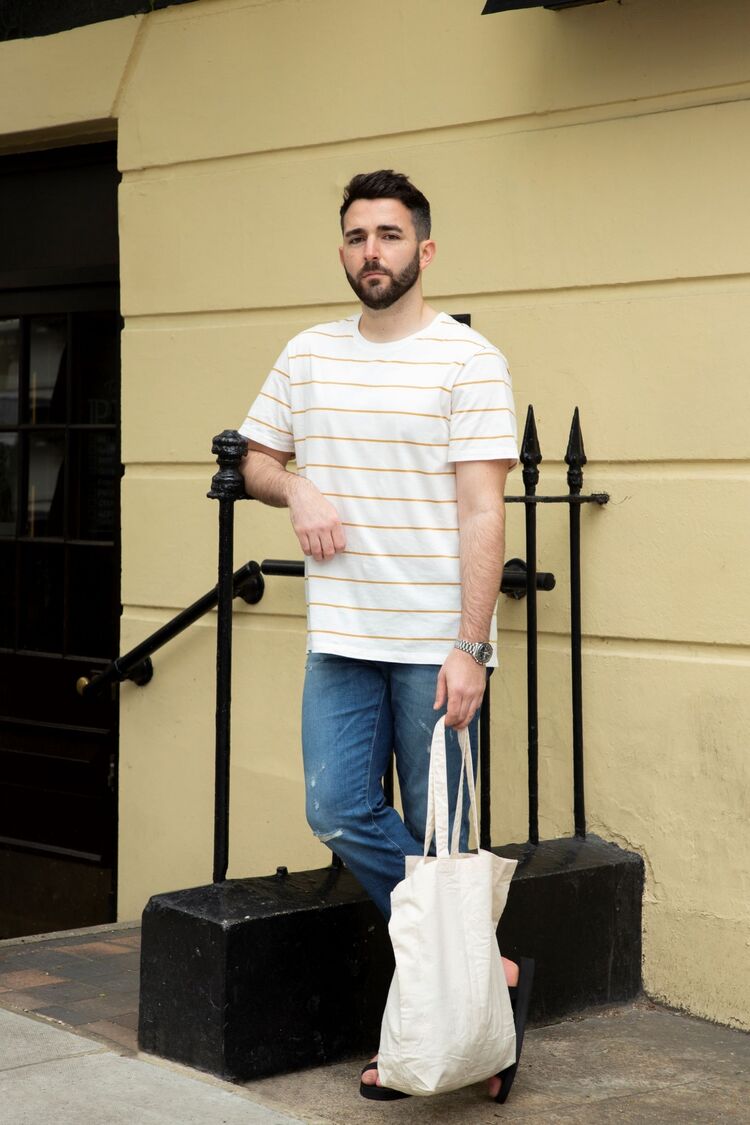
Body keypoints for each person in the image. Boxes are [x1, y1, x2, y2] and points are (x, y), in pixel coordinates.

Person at [239, 170, 530, 1103]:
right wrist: (300, 487)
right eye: (359, 235)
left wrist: (470, 646)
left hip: (434, 644)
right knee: (336, 809)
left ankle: (444, 1030)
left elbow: (485, 511)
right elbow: (253, 460)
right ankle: (481, 965)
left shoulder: (468, 361)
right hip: (343, 637)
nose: (374, 251)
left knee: (449, 840)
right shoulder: (308, 354)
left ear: (425, 251)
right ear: (343, 251)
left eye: (391, 235)